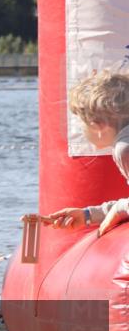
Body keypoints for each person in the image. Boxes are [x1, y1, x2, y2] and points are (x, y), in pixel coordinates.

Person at [46, 71, 129, 237]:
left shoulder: (124, 148)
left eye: (80, 122)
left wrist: (118, 209)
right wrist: (88, 215)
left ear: (97, 125)